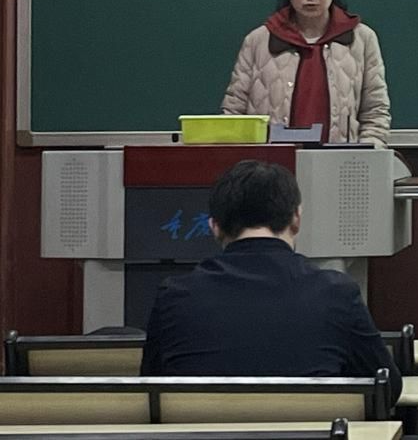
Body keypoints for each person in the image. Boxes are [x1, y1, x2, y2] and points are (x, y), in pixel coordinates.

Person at [140, 159, 402, 402]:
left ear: (214, 226)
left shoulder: (174, 296)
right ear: (296, 219)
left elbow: (150, 389)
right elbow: (386, 387)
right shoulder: (337, 293)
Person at [223, 0, 391, 147]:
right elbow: (233, 114)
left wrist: (365, 155)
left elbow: (375, 112)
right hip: (270, 164)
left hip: (341, 163)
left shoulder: (362, 39)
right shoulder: (258, 41)